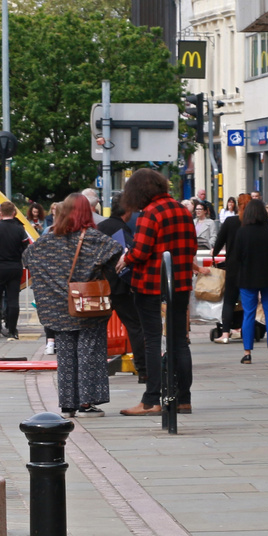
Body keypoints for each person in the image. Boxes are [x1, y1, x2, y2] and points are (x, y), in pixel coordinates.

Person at [26, 193, 122, 417]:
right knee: (89, 352)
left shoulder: (47, 239)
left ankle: (68, 404)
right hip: (87, 304)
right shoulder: (93, 239)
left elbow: (27, 258)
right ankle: (87, 403)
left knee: (66, 355)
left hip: (58, 308)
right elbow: (116, 251)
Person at [116, 169, 198, 416]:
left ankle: (152, 399)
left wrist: (125, 259)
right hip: (180, 284)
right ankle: (183, 398)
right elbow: (192, 245)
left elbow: (141, 250)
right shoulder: (182, 209)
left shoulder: (149, 213)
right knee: (179, 341)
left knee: (152, 340)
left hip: (151, 285)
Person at [95, 200, 145, 381]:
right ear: (128, 211)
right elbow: (129, 255)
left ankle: (95, 369)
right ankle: (144, 370)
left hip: (99, 287)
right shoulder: (122, 230)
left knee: (97, 329)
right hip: (120, 287)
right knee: (135, 325)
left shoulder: (99, 227)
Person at [229, 198, 268, 364]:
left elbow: (236, 257)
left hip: (247, 277)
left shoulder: (242, 232)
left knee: (249, 314)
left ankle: (247, 353)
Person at [0, 201, 30, 341]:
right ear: (14, 213)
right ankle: (12, 331)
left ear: (0, 213)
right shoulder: (20, 229)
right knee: (13, 300)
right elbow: (26, 248)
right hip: (15, 267)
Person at [209, 193, 249, 344]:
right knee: (248, 301)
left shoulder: (230, 222)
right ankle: (247, 331)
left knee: (229, 300)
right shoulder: (252, 224)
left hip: (232, 265)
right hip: (249, 267)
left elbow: (218, 243)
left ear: (238, 206)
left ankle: (225, 333)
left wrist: (215, 252)